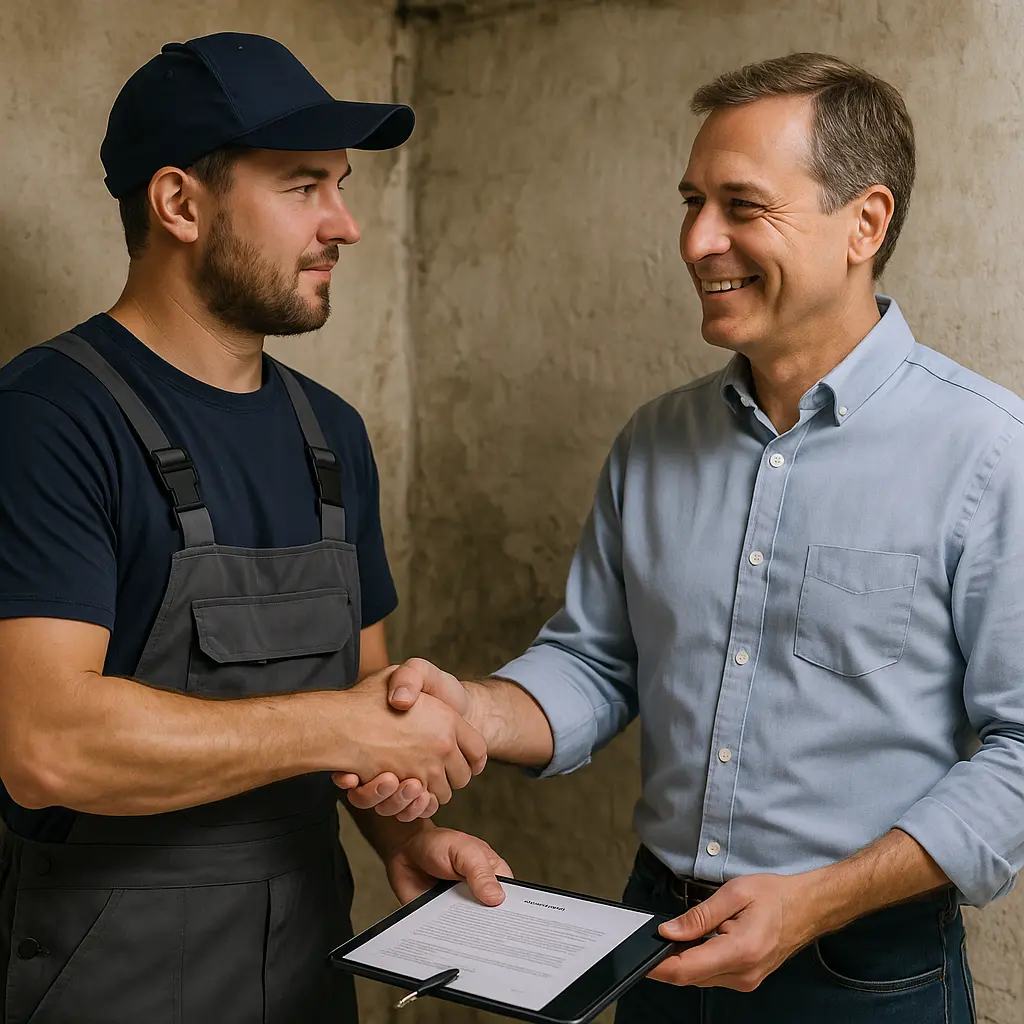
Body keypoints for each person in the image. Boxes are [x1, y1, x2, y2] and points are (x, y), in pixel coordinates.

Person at [348, 52, 1024, 1023]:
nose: (697, 240)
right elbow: (598, 664)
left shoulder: (988, 452)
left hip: (868, 973)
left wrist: (819, 900)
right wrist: (469, 713)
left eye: (741, 206)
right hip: (655, 945)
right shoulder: (653, 441)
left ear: (862, 224)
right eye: (691, 201)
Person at [0, 32, 510, 1024]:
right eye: (301, 186)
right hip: (109, 971)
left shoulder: (332, 434)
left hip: (307, 959)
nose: (345, 224)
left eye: (342, 185)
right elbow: (45, 743)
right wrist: (339, 725)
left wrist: (400, 839)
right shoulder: (47, 419)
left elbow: (364, 702)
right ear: (180, 203)